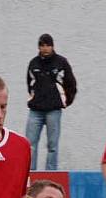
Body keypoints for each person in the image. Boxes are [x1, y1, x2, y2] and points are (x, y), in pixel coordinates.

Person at [25, 33, 77, 170]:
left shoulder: (61, 62)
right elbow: (29, 84)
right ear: (39, 47)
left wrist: (65, 101)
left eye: (48, 45)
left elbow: (71, 84)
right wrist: (33, 98)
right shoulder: (33, 63)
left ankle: (51, 173)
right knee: (29, 144)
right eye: (42, 45)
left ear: (52, 46)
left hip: (53, 110)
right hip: (35, 111)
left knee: (52, 145)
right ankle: (30, 173)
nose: (45, 48)